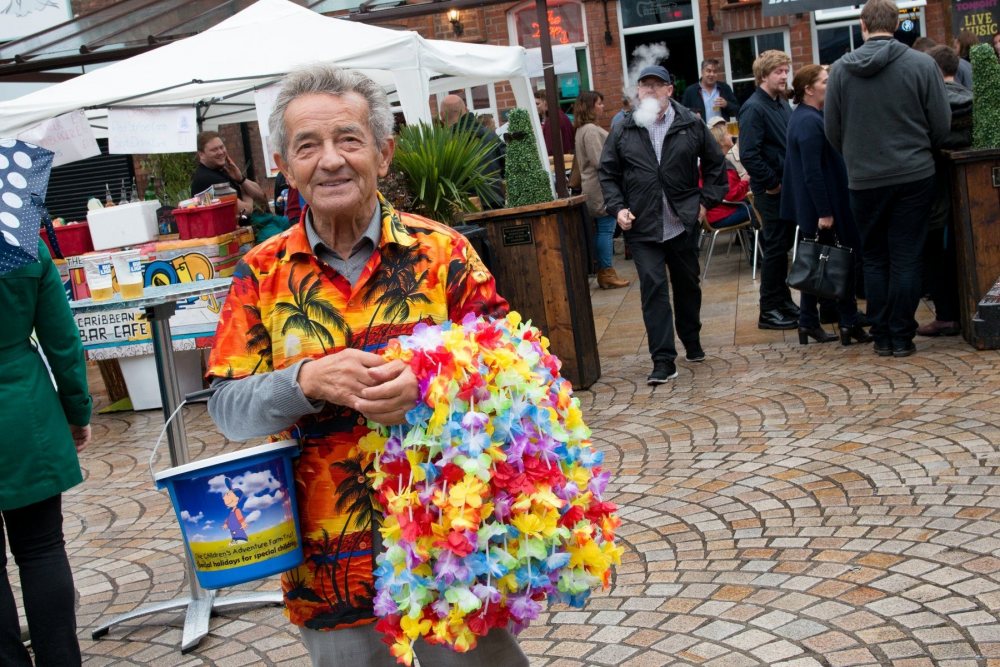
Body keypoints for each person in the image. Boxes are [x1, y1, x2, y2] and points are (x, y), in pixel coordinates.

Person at [205, 63, 525, 667]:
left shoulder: (443, 253)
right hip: (328, 557)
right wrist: (305, 381)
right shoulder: (261, 273)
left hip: (450, 542)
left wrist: (430, 384)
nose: (330, 160)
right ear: (285, 166)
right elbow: (227, 408)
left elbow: (516, 368)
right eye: (308, 146)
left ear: (383, 153)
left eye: (348, 139)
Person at [826, 0, 950, 357]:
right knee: (907, 256)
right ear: (897, 24)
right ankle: (901, 335)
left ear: (862, 25)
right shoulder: (922, 64)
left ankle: (882, 335)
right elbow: (941, 123)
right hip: (914, 173)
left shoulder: (840, 71)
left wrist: (856, 156)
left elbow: (832, 129)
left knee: (875, 257)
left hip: (864, 178)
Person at [599, 64, 727, 385]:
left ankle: (691, 339)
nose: (651, 90)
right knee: (653, 288)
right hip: (643, 226)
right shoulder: (624, 128)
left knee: (687, 286)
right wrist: (618, 208)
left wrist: (704, 203)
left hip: (682, 222)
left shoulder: (690, 123)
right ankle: (663, 360)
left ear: (669, 90)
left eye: (657, 85)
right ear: (638, 91)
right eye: (645, 85)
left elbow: (716, 165)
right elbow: (608, 173)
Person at [1, 240, 92, 666]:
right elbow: (62, 339)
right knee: (41, 548)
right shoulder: (17, 238)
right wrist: (77, 409)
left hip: (24, 410)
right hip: (24, 411)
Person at [780, 65, 872, 348]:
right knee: (841, 261)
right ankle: (847, 320)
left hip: (823, 204)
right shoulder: (808, 121)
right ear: (809, 89)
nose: (830, 86)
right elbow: (811, 173)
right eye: (825, 82)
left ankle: (811, 320)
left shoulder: (807, 116)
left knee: (819, 262)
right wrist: (825, 212)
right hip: (825, 206)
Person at [737, 50, 797, 331]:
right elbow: (749, 154)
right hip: (771, 191)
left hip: (786, 188)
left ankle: (783, 301)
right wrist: (772, 183)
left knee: (782, 247)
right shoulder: (753, 108)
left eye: (786, 70)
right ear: (763, 75)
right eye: (778, 72)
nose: (784, 76)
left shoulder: (780, 103)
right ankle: (769, 309)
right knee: (774, 248)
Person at [918, 45, 974, 338]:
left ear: (933, 70)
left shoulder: (929, 106)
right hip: (972, 195)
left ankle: (946, 316)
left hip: (935, 193)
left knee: (936, 256)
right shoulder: (974, 100)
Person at [573, 90, 629, 290]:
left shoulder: (584, 129)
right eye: (599, 103)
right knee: (606, 229)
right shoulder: (589, 130)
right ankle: (606, 273)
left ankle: (605, 271)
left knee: (604, 229)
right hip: (599, 187)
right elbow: (600, 161)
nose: (602, 106)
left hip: (595, 186)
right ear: (590, 106)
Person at [440, 94, 505, 208]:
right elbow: (508, 166)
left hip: (464, 209)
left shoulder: (443, 144)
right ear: (466, 109)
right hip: (495, 203)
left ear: (442, 115)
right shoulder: (490, 136)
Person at [190, 130, 268, 216]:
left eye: (221, 147)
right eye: (214, 150)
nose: (220, 152)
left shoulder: (222, 170)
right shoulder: (208, 179)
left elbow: (261, 196)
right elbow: (246, 210)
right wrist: (246, 192)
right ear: (201, 154)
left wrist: (241, 179)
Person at [703, 118, 752, 230]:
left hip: (712, 214)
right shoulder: (722, 165)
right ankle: (759, 241)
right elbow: (732, 196)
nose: (732, 135)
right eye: (727, 133)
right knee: (760, 208)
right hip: (722, 214)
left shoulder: (711, 161)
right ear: (721, 141)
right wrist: (745, 181)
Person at [681, 59, 740, 124]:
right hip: (701, 129)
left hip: (722, 129)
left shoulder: (725, 88)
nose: (712, 74)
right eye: (708, 71)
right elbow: (683, 113)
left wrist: (727, 104)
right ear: (702, 72)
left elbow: (737, 109)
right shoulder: (690, 91)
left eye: (715, 72)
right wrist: (694, 113)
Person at [534, 88, 574, 157]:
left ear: (546, 103)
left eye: (537, 104)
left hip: (560, 160)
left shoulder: (552, 120)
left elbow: (550, 150)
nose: (535, 107)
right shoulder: (558, 115)